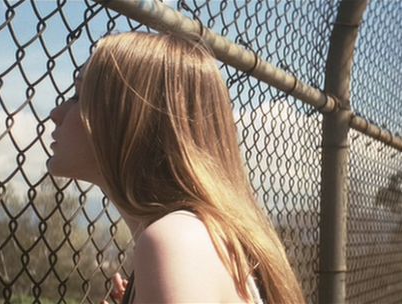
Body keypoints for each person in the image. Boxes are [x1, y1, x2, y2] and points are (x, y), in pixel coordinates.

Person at [47, 31, 304, 303]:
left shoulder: (175, 241)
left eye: (79, 96)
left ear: (132, 117)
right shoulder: (197, 236)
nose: (56, 114)